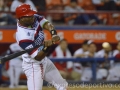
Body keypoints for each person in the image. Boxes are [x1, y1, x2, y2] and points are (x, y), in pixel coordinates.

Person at [15, 4, 68, 90]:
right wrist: (47, 47)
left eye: (32, 14)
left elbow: (47, 24)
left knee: (63, 86)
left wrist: (53, 34)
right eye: (29, 16)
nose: (32, 16)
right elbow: (37, 57)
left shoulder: (33, 18)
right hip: (33, 65)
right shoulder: (22, 36)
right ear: (21, 18)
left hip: (44, 61)